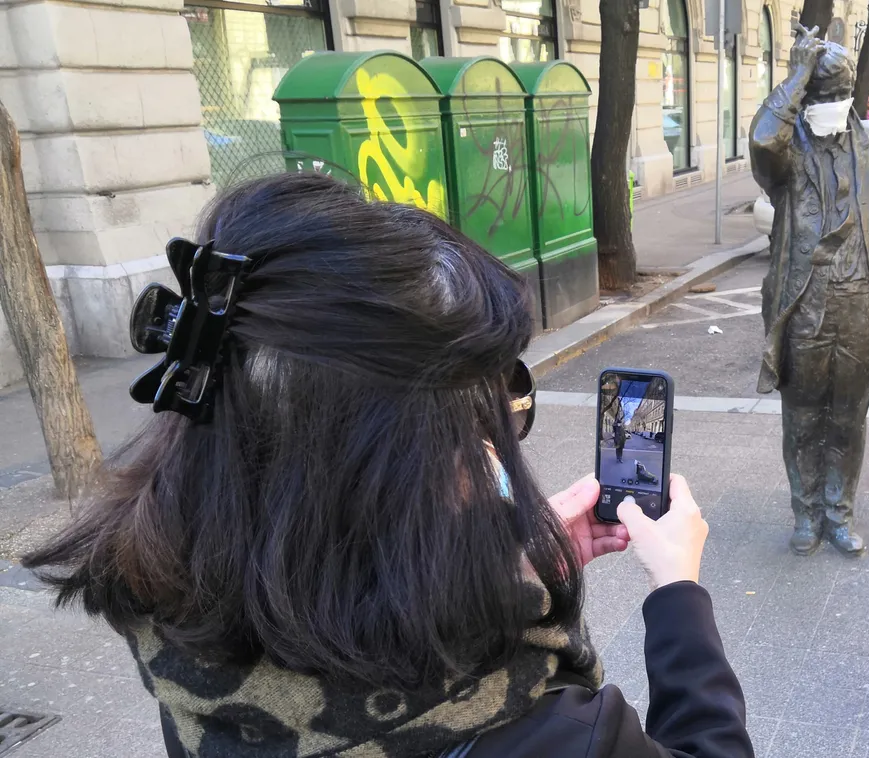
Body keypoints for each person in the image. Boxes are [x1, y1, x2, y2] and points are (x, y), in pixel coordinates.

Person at [22, 172, 752, 758]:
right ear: (390, 474)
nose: (494, 448)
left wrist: (524, 564)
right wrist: (677, 592)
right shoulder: (546, 733)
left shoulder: (178, 633)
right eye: (475, 424)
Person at [749, 27, 869, 557]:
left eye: (835, 95)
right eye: (818, 98)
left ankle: (839, 513)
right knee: (801, 420)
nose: (829, 105)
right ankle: (806, 514)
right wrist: (796, 77)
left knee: (848, 421)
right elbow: (761, 141)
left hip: (863, 311)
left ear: (851, 95)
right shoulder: (788, 155)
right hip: (805, 309)